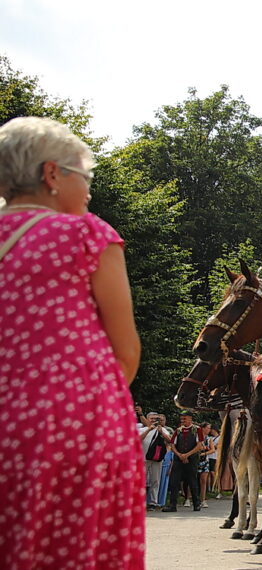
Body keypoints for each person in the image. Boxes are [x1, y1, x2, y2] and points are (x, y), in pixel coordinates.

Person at [0, 117, 144, 568]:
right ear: (51, 174)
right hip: (73, 424)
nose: (89, 189)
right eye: (85, 175)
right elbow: (125, 351)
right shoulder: (86, 234)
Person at [163, 410, 204, 512]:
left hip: (192, 460)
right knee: (174, 482)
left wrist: (187, 455)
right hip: (178, 459)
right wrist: (179, 455)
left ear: (190, 418)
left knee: (192, 481)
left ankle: (196, 504)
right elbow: (172, 444)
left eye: (184, 418)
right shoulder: (178, 430)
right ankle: (172, 505)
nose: (182, 420)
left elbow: (199, 445)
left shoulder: (197, 430)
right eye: (181, 418)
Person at [139, 408, 172, 511]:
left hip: (157, 459)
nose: (153, 420)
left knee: (155, 480)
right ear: (147, 419)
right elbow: (137, 440)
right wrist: (149, 429)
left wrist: (161, 431)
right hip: (143, 458)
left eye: (156, 418)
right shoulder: (142, 429)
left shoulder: (162, 429)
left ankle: (153, 502)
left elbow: (170, 440)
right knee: (142, 481)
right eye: (151, 418)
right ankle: (140, 501)